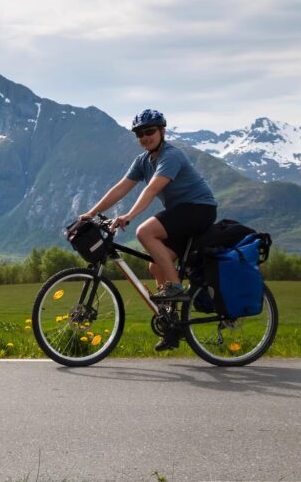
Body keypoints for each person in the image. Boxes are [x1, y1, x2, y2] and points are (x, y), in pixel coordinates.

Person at [80, 109, 217, 350]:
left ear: (162, 131)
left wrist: (130, 216)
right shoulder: (143, 161)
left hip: (199, 209)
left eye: (150, 131)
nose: (145, 137)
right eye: (140, 134)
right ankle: (172, 326)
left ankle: (176, 286)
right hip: (182, 213)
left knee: (145, 232)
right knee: (156, 266)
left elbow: (152, 190)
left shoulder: (171, 156)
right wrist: (91, 213)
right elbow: (121, 188)